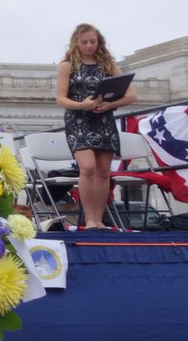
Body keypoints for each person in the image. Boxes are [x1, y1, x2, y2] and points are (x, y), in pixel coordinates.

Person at [55, 23, 136, 229]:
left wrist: (111, 104)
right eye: (84, 42)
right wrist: (83, 105)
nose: (89, 46)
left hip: (104, 120)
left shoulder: (108, 65)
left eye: (93, 41)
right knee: (88, 167)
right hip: (78, 121)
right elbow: (61, 99)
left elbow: (131, 95)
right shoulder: (67, 65)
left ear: (99, 42)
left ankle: (98, 220)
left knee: (102, 171)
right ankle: (88, 219)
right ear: (76, 43)